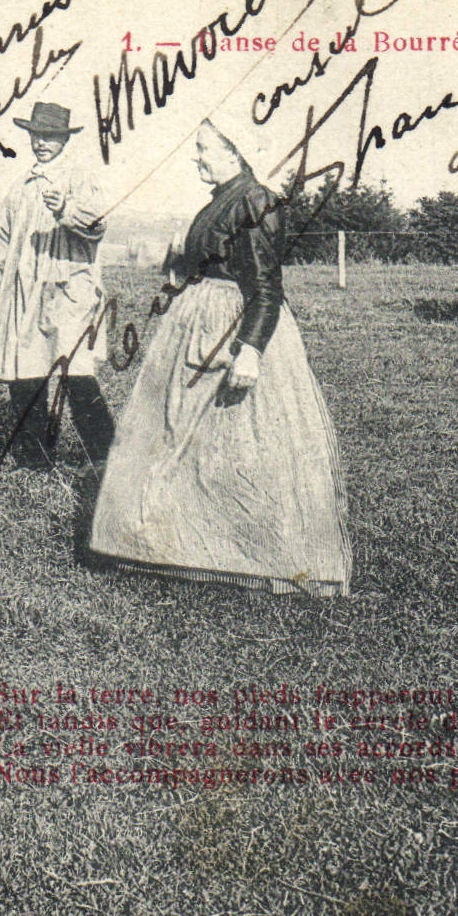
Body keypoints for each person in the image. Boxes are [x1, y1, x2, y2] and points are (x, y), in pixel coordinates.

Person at [88, 121, 352, 595]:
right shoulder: (221, 199)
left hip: (232, 328)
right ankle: (175, 546)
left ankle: (256, 552)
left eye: (205, 149)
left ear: (235, 152)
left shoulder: (255, 200)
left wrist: (250, 350)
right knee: (182, 436)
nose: (197, 158)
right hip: (200, 323)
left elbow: (266, 287)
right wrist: (180, 262)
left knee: (239, 443)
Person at [0, 101, 115, 469]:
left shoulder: (79, 177)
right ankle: (34, 457)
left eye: (50, 137)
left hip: (68, 287)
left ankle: (104, 455)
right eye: (37, 135)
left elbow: (97, 224)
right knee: (26, 372)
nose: (42, 143)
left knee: (75, 369)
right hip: (24, 291)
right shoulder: (21, 185)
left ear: (64, 140)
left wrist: (65, 209)